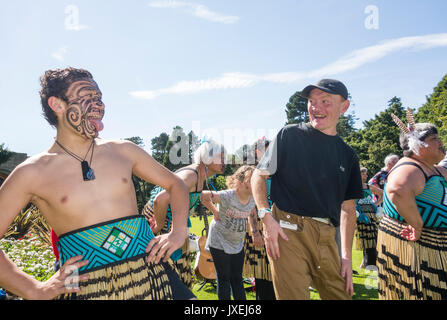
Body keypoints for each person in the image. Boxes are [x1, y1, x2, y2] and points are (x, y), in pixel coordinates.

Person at [0, 67, 194, 300]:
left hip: (150, 271)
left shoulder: (123, 151)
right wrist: (34, 289)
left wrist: (178, 231)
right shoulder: (31, 172)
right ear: (57, 105)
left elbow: (176, 184)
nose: (99, 105)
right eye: (88, 97)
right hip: (81, 285)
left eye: (99, 98)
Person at [251, 79, 363, 300]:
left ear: (344, 106)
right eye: (312, 101)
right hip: (287, 230)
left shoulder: (348, 155)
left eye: (325, 101)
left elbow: (348, 210)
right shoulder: (289, 135)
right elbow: (258, 175)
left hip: (328, 236)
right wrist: (266, 217)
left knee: (340, 295)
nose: (316, 107)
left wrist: (347, 257)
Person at [377, 110, 447, 300]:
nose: (441, 142)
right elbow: (398, 189)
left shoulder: (436, 169)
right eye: (434, 138)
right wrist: (416, 224)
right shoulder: (410, 167)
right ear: (418, 145)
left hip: (438, 246)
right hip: (420, 249)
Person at [141, 139, 226, 288]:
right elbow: (160, 199)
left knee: (175, 273)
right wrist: (159, 225)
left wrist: (214, 210)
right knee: (165, 274)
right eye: (221, 157)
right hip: (159, 219)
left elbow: (193, 196)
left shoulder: (199, 175)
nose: (225, 162)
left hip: (171, 222)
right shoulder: (191, 175)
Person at [200, 165, 257, 300]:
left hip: (237, 243)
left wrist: (255, 232)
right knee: (224, 277)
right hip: (219, 241)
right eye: (251, 180)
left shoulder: (253, 198)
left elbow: (252, 213)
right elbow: (203, 196)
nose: (255, 183)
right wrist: (215, 211)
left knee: (237, 278)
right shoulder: (227, 195)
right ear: (239, 182)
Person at [242, 138, 276, 300]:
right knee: (263, 276)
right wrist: (255, 232)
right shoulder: (251, 173)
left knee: (278, 273)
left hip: (277, 226)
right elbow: (249, 205)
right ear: (257, 152)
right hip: (258, 228)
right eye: (266, 150)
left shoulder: (276, 171)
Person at [355, 167, 382, 269]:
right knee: (365, 239)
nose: (366, 176)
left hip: (371, 214)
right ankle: (366, 263)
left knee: (373, 238)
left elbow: (383, 193)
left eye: (366, 174)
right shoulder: (353, 186)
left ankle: (367, 262)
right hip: (361, 215)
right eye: (363, 174)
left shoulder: (368, 187)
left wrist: (375, 204)